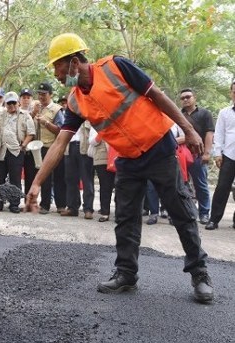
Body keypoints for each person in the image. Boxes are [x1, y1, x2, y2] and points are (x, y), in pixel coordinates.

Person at [26, 33, 213, 303]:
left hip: (159, 149)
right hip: (127, 159)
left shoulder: (116, 67)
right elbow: (60, 143)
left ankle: (199, 273)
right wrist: (36, 183)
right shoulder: (75, 100)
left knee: (181, 212)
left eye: (57, 66)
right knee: (125, 217)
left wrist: (188, 130)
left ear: (75, 62)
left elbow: (158, 96)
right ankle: (126, 273)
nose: (55, 74)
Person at [0, 91, 36, 213]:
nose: (11, 105)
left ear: (18, 103)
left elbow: (31, 133)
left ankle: (14, 204)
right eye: (9, 103)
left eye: (13, 103)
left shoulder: (25, 115)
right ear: (5, 104)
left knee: (15, 178)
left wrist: (23, 145)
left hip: (16, 151)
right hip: (1, 150)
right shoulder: (1, 115)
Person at [27, 81, 66, 213]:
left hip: (53, 147)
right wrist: (33, 113)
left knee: (59, 177)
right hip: (39, 148)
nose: (41, 97)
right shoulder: (37, 108)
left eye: (44, 94)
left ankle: (61, 205)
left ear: (50, 95)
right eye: (39, 94)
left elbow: (61, 130)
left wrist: (46, 123)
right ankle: (45, 205)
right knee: (44, 177)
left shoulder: (56, 109)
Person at [180, 88, 215, 224]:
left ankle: (204, 213)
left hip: (198, 155)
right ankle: (188, 212)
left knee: (201, 185)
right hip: (182, 155)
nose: (185, 100)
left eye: (188, 97)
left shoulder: (205, 114)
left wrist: (207, 153)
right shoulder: (178, 114)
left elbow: (209, 134)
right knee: (181, 185)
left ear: (194, 97)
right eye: (182, 98)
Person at [205, 81, 235, 230]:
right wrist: (218, 154)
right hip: (229, 155)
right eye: (234, 91)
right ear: (231, 93)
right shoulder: (225, 112)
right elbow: (220, 134)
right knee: (222, 187)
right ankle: (214, 220)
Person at [88, 128, 115, 222]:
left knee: (120, 186)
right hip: (101, 158)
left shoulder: (117, 121)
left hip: (117, 157)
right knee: (105, 186)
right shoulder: (96, 124)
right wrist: (101, 134)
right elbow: (92, 142)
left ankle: (120, 213)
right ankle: (105, 213)